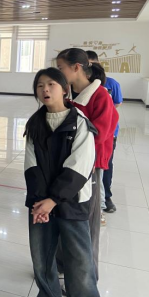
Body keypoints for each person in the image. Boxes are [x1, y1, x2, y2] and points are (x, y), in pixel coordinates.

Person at [24, 67, 104, 297]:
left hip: (72, 203)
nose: (45, 90)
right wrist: (41, 202)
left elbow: (79, 168)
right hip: (41, 205)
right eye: (40, 86)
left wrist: (53, 200)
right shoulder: (35, 124)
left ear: (65, 89)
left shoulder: (79, 123)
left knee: (80, 265)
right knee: (42, 260)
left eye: (51, 84)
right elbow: (31, 165)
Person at [57, 48, 118, 279]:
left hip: (89, 166)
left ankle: (86, 274)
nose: (58, 72)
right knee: (64, 213)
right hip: (68, 163)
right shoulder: (70, 94)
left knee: (87, 220)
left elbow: (98, 135)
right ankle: (61, 265)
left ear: (76, 68)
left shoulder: (100, 95)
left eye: (61, 68)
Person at [87, 50, 122, 213]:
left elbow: (117, 103)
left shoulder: (111, 83)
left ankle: (106, 197)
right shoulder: (81, 85)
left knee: (105, 165)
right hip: (90, 134)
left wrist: (103, 112)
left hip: (108, 133)